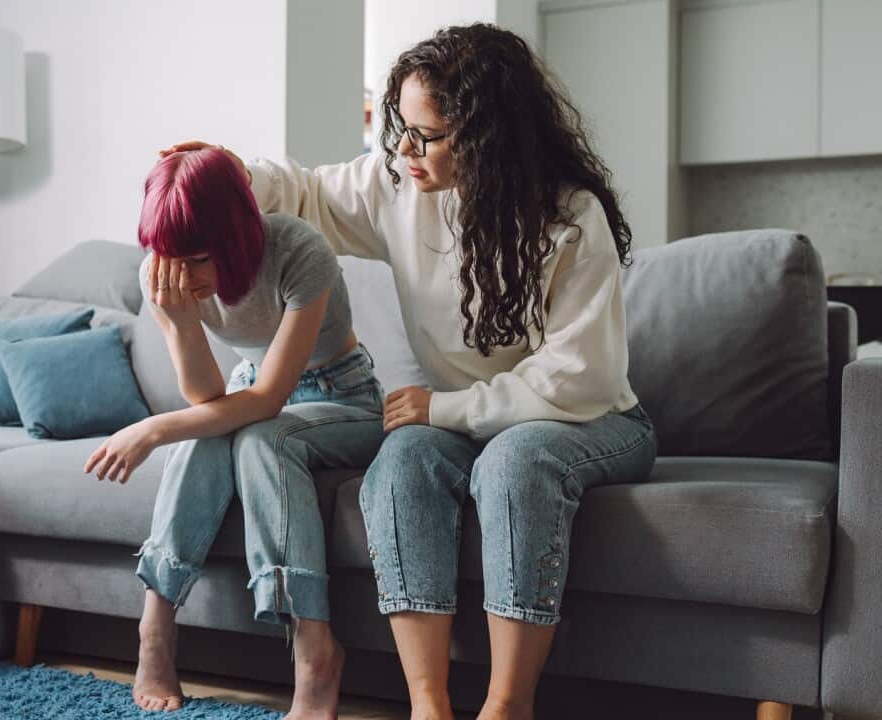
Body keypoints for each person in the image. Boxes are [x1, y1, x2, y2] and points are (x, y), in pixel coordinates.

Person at [161, 24, 658, 720]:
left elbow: (579, 377)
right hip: (463, 419)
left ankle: (507, 706)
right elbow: (305, 193)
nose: (402, 149)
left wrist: (445, 409)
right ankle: (429, 706)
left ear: (488, 140)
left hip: (591, 420)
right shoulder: (400, 185)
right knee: (400, 464)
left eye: (425, 135)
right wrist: (237, 175)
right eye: (401, 127)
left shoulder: (570, 217)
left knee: (513, 461)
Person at [83, 147, 387, 719]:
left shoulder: (298, 250)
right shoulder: (164, 275)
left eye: (199, 260)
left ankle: (315, 650)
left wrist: (151, 429)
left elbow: (268, 401)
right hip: (248, 389)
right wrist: (177, 320)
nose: (185, 278)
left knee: (259, 437)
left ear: (236, 235)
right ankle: (155, 628)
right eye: (170, 259)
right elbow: (206, 397)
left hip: (340, 396)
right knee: (206, 434)